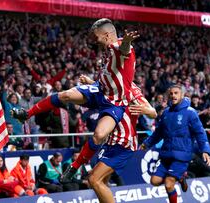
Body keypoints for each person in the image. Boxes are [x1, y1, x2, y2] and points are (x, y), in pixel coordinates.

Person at [12, 18, 139, 152]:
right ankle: (27, 114)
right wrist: (92, 83)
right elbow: (111, 76)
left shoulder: (121, 46)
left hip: (114, 100)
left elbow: (125, 51)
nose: (94, 41)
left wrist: (126, 42)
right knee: (64, 95)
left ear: (107, 35)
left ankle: (76, 166)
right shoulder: (107, 49)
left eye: (96, 37)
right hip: (99, 89)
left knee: (99, 135)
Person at [62, 75, 156, 203]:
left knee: (94, 179)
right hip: (110, 142)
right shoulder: (109, 84)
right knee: (101, 182)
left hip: (123, 142)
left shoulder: (131, 89)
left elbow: (153, 112)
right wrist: (90, 82)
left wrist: (147, 110)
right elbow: (101, 87)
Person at [140, 85, 210, 203]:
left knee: (169, 184)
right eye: (171, 93)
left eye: (176, 93)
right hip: (166, 154)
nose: (173, 95)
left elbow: (200, 132)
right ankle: (181, 177)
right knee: (155, 181)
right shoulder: (166, 113)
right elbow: (158, 133)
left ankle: (178, 178)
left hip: (181, 155)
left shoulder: (190, 112)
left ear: (182, 95)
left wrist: (205, 150)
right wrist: (147, 143)